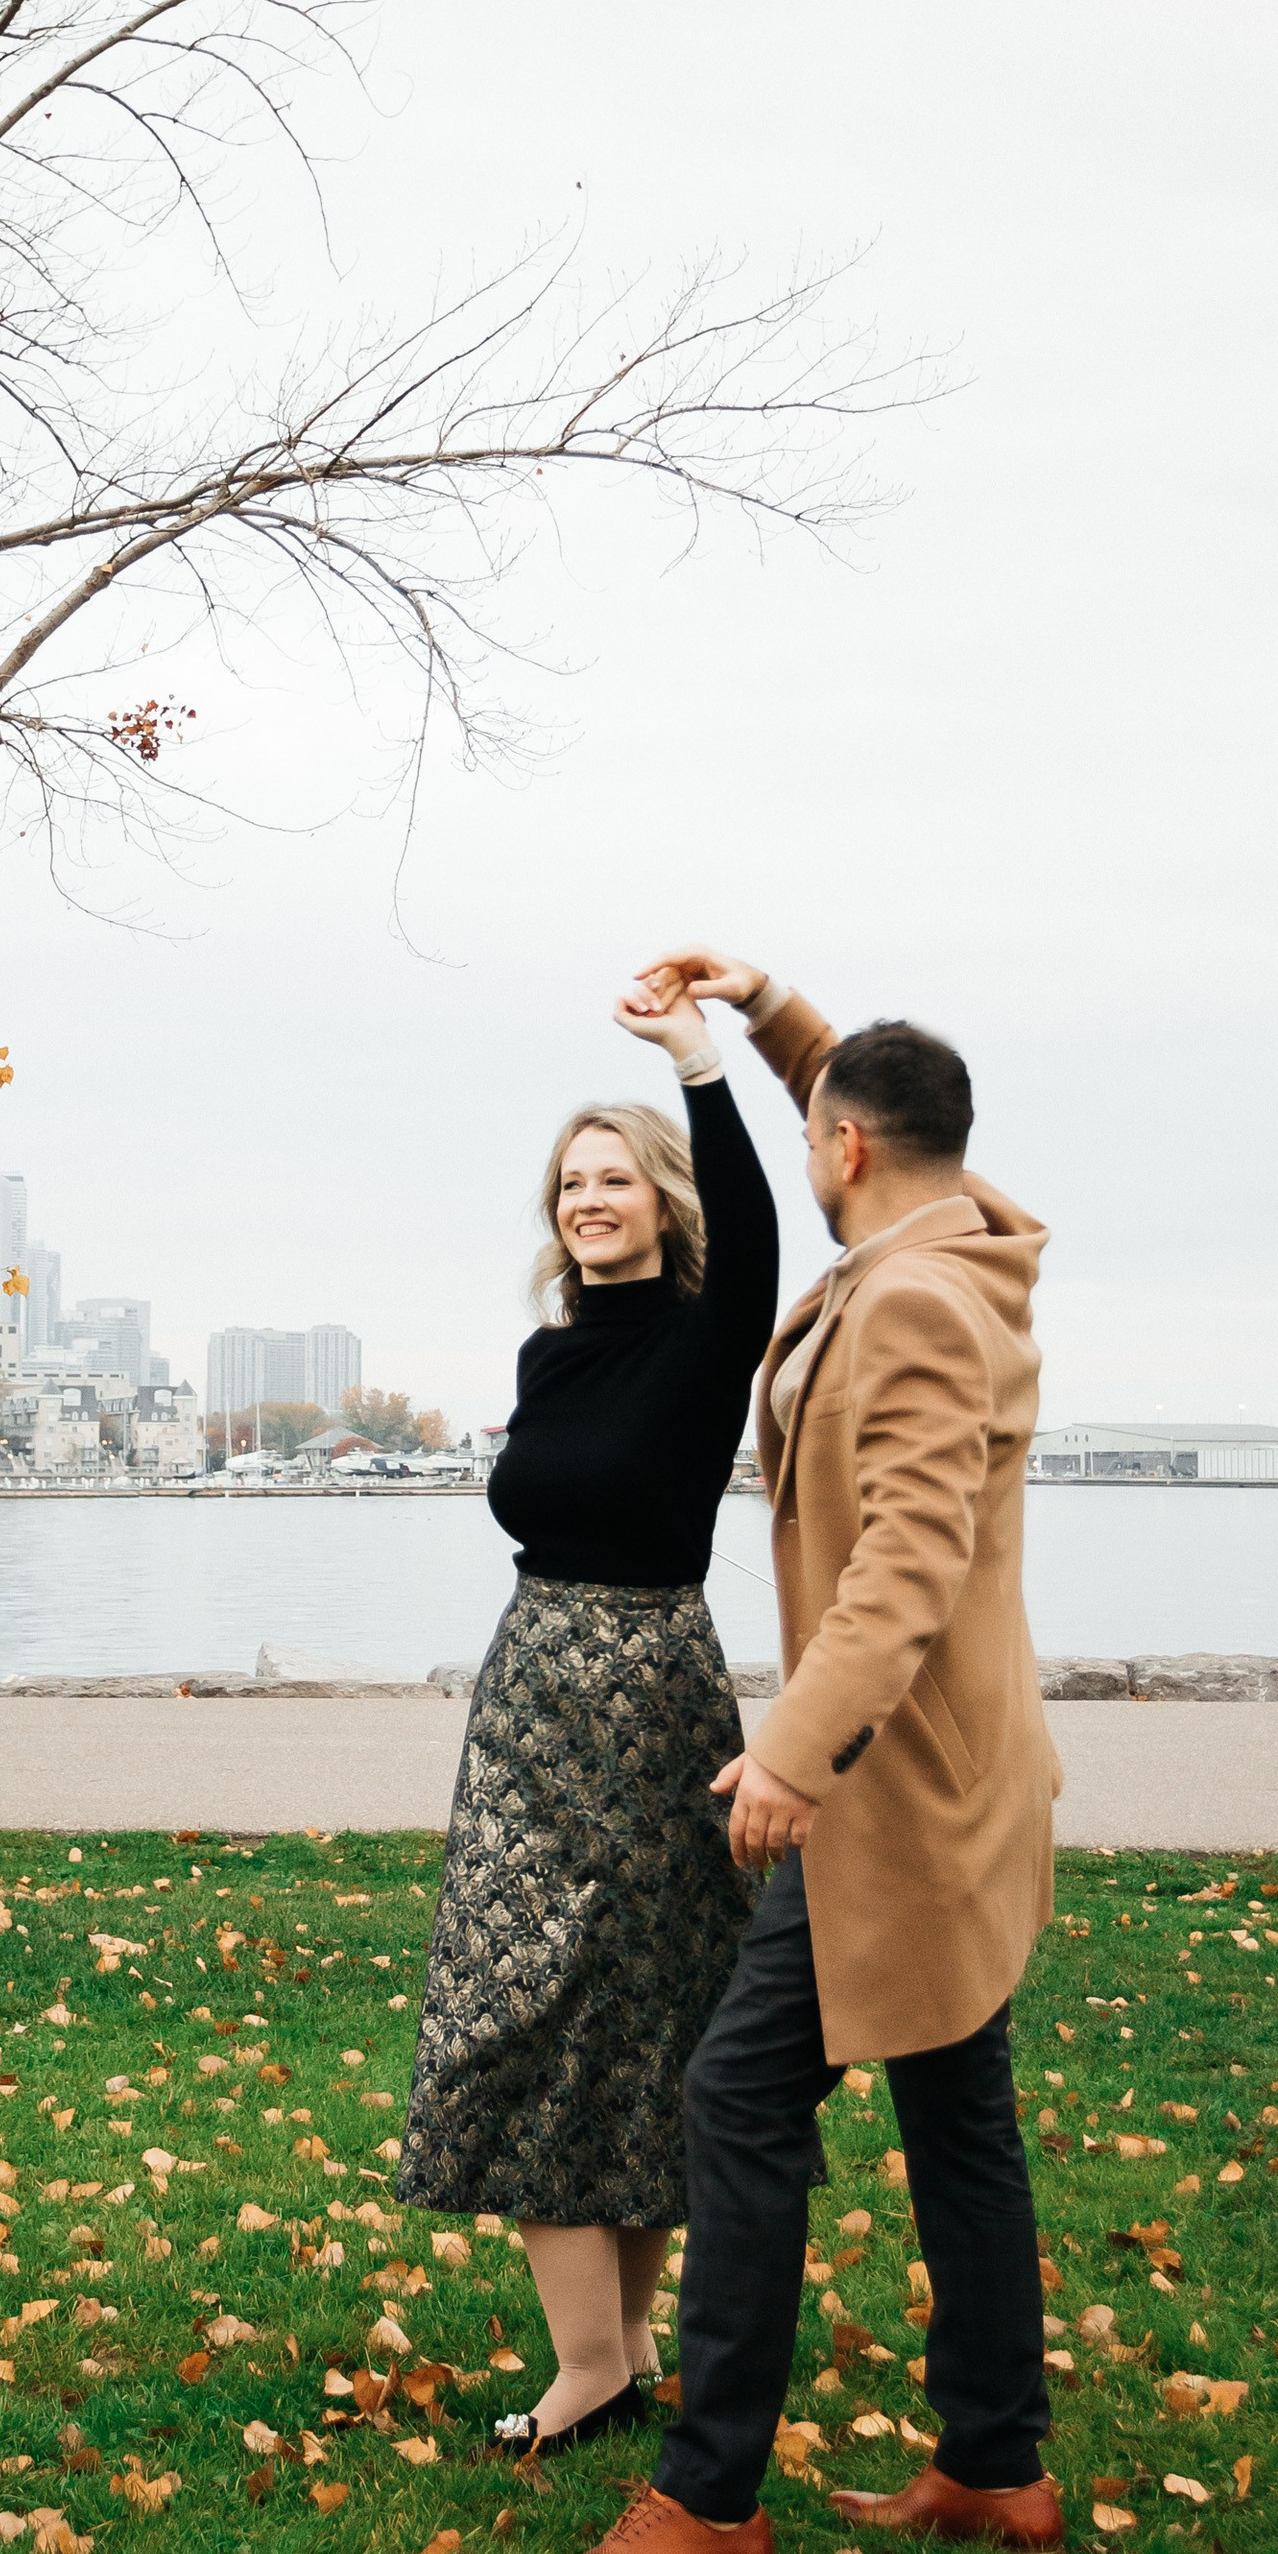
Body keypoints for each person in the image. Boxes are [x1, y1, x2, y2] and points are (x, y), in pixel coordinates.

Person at [522, 949, 1062, 2554]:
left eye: (817, 1121)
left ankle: (707, 2506)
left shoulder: (905, 1299)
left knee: (735, 2099)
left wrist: (788, 1751)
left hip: (891, 1792)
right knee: (959, 2117)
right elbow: (890, 1122)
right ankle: (994, 2466)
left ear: (836, 1153)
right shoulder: (975, 1247)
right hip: (966, 1778)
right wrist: (776, 1021)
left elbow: (905, 1555)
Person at [394, 970, 780, 2458]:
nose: (588, 1200)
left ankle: (600, 2371)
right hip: (532, 1701)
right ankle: (603, 2359)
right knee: (525, 2008)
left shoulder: (700, 1335)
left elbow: (752, 1233)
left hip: (651, 1696)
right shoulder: (551, 1351)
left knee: (634, 2016)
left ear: (663, 1200)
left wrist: (696, 1060)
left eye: (614, 1179)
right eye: (570, 1183)